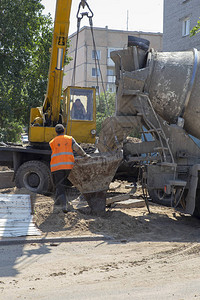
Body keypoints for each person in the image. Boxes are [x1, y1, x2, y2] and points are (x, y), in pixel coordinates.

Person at [49, 124, 90, 213]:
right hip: (68, 166)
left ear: (56, 132)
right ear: (64, 130)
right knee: (60, 185)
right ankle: (57, 203)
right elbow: (77, 148)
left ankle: (64, 206)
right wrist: (85, 156)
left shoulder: (52, 141)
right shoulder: (70, 139)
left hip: (56, 167)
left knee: (60, 185)